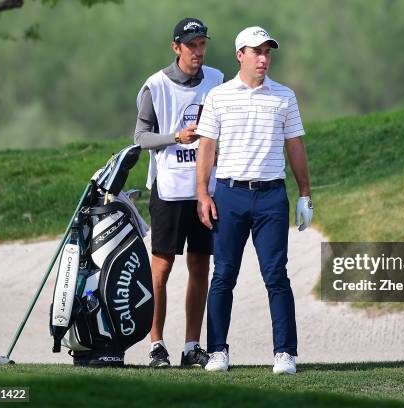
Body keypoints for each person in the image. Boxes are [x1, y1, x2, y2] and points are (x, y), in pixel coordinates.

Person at [195, 26, 313, 375]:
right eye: (256, 52)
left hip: (271, 195)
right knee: (224, 275)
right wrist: (203, 193)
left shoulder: (284, 97)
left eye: (267, 52)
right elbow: (206, 148)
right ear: (239, 56)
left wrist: (305, 193)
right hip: (229, 195)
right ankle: (217, 351)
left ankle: (285, 353)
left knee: (276, 275)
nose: (263, 59)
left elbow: (295, 146)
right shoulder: (219, 96)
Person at [134, 17, 223, 368]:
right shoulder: (155, 86)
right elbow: (140, 138)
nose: (198, 51)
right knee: (161, 268)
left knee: (201, 264)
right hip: (169, 189)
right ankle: (156, 344)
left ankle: (190, 346)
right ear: (176, 47)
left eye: (202, 44)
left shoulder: (217, 81)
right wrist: (176, 137)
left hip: (205, 190)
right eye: (191, 45)